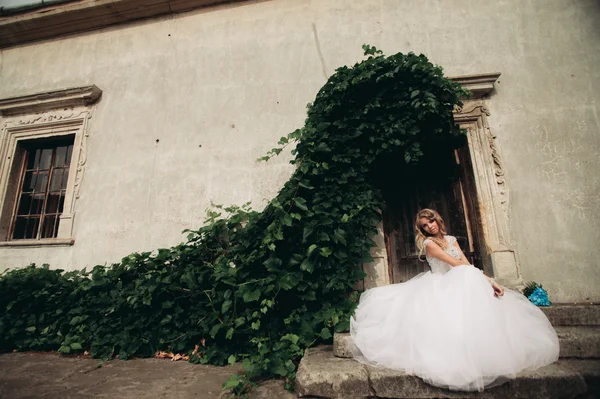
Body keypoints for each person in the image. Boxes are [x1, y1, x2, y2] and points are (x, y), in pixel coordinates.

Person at [350, 208, 559, 392]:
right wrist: (481, 279)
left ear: (437, 220)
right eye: (424, 225)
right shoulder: (430, 244)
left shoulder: (451, 240)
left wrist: (490, 281)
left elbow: (466, 264)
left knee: (472, 283)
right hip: (440, 283)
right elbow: (455, 264)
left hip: (460, 278)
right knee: (464, 284)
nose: (429, 227)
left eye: (431, 221)